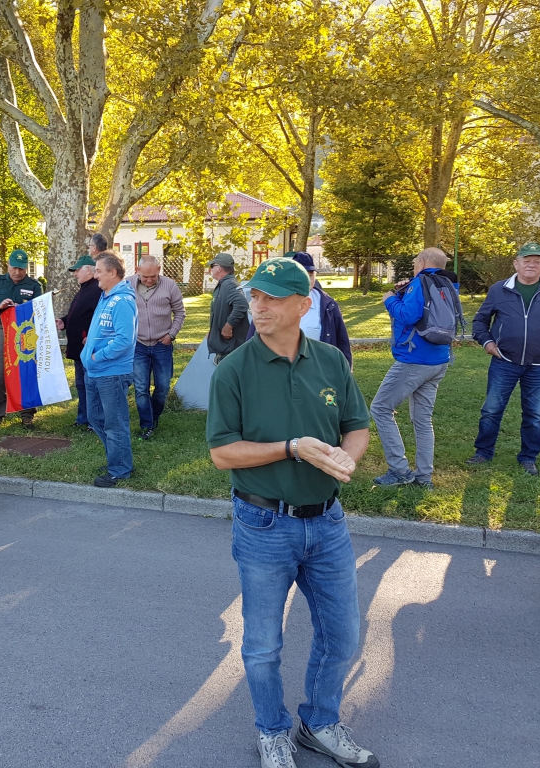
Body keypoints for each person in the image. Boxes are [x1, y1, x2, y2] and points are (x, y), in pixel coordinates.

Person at [206, 257, 377, 768]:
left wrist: (348, 457)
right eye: (256, 296)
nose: (259, 306)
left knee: (341, 635)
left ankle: (319, 723)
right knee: (263, 645)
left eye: (273, 298)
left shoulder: (331, 361)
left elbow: (356, 426)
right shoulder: (234, 369)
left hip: (327, 522)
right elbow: (223, 453)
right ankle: (272, 731)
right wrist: (292, 448)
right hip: (263, 524)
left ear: (304, 305)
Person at [468, 242, 540, 476]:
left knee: (535, 415)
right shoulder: (499, 289)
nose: (531, 265)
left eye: (537, 261)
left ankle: (528, 457)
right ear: (516, 264)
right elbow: (480, 321)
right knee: (491, 410)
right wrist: (487, 342)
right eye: (526, 260)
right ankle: (483, 452)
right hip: (504, 362)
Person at [370, 248, 458, 491]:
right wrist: (404, 290)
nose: (413, 266)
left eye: (415, 262)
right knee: (422, 419)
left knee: (380, 408)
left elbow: (408, 315)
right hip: (439, 360)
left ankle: (399, 470)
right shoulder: (449, 284)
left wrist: (389, 298)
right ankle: (424, 476)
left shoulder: (420, 283)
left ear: (422, 261)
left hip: (414, 359)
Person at [80, 252, 138, 488]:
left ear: (112, 272)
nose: (95, 276)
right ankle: (117, 458)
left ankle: (120, 469)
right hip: (95, 370)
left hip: (111, 372)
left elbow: (125, 339)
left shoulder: (122, 300)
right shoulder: (106, 296)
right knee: (95, 417)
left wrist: (98, 355)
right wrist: (89, 352)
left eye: (99, 271)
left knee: (114, 423)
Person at [248, 252, 352, 367]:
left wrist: (346, 367)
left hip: (317, 368)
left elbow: (342, 339)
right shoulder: (267, 308)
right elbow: (252, 338)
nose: (307, 280)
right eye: (303, 275)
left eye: (310, 275)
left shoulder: (328, 305)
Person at [0, 248, 44, 430]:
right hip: (3, 330)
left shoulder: (34, 286)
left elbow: (40, 309)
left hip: (25, 332)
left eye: (21, 269)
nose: (17, 272)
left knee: (25, 372)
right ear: (7, 265)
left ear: (26, 268)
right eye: (14, 268)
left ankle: (27, 414)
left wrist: (26, 308)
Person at [126, 255, 186, 439]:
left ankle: (154, 416)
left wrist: (171, 335)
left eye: (153, 276)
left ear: (159, 270)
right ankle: (147, 424)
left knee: (163, 386)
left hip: (162, 344)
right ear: (137, 271)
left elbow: (180, 312)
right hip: (139, 345)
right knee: (141, 387)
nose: (149, 280)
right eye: (145, 276)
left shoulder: (170, 285)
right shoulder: (127, 285)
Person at [57, 254, 102, 429]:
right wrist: (64, 321)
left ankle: (94, 420)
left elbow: (98, 317)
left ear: (88, 270)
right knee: (81, 384)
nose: (75, 274)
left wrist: (92, 337)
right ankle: (83, 417)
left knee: (91, 385)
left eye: (77, 270)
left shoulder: (97, 289)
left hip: (88, 347)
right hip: (79, 348)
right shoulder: (85, 288)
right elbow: (79, 313)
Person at [207, 252, 249, 364]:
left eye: (212, 266)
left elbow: (241, 304)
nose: (211, 269)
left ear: (219, 268)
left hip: (230, 349)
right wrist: (213, 331)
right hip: (227, 348)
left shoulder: (229, 284)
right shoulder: (225, 284)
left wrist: (228, 326)